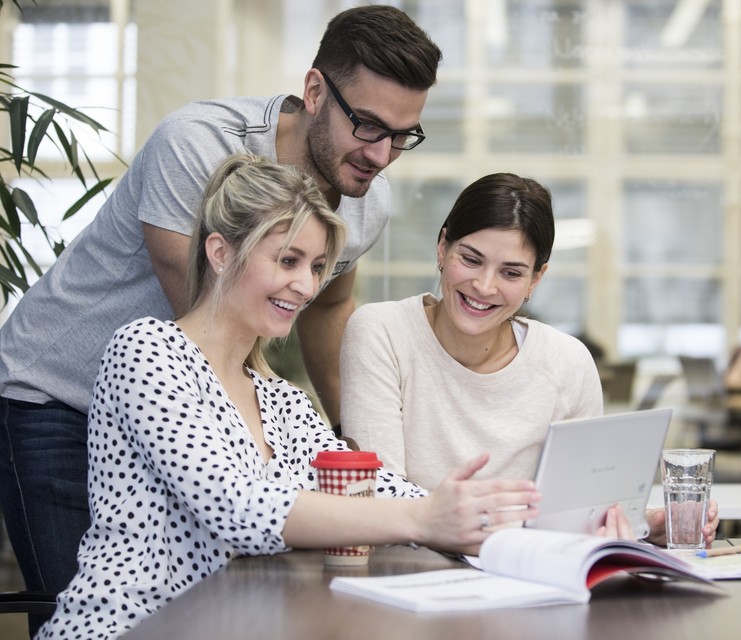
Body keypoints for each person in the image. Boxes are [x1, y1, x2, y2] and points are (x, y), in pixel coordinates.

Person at [0, 5, 441, 617]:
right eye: (368, 125)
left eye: (403, 135)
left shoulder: (366, 198)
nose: (383, 154)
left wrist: (352, 457)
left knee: (216, 593)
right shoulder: (197, 144)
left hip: (209, 403)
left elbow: (328, 309)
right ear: (315, 91)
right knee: (98, 589)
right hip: (60, 392)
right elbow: (209, 313)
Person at [35, 154, 541, 640]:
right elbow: (235, 506)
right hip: (130, 628)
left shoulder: (281, 399)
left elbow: (371, 484)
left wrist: (498, 520)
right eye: (288, 260)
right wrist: (425, 520)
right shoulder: (147, 351)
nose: (306, 286)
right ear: (220, 252)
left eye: (318, 266)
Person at [340, 173, 719, 546]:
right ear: (442, 247)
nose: (485, 287)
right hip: (408, 578)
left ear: (536, 280)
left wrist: (639, 524)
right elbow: (382, 502)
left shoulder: (566, 362)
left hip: (530, 576)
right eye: (471, 260)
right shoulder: (381, 332)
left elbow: (582, 510)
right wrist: (529, 531)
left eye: (511, 273)